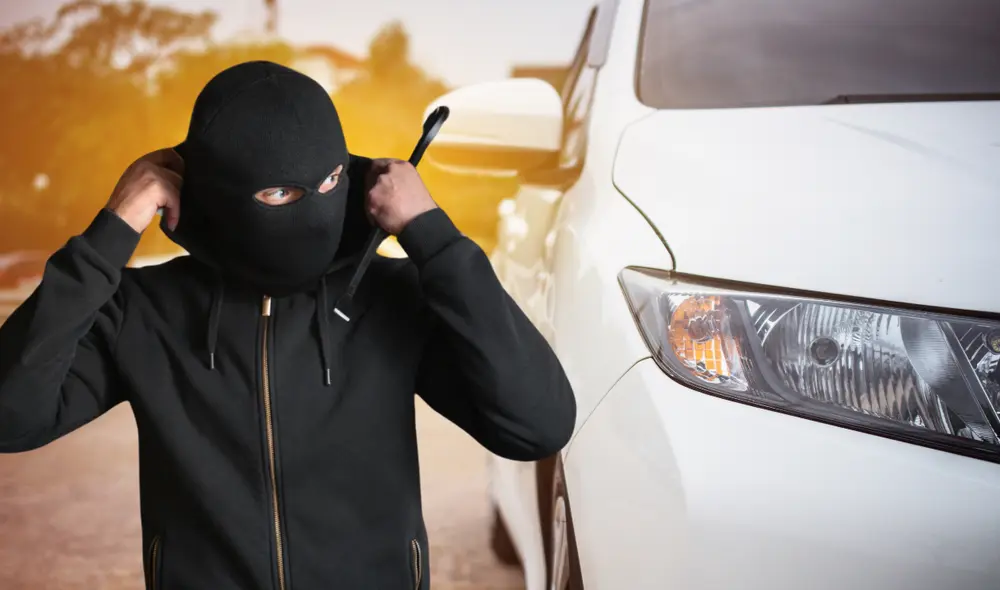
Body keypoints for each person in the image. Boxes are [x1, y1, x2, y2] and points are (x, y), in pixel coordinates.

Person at [0, 60, 576, 590]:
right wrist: (110, 234)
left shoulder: (389, 297)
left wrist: (434, 236)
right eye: (280, 193)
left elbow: (537, 425)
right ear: (216, 196)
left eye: (330, 183)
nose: (316, 207)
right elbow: (11, 417)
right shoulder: (144, 311)